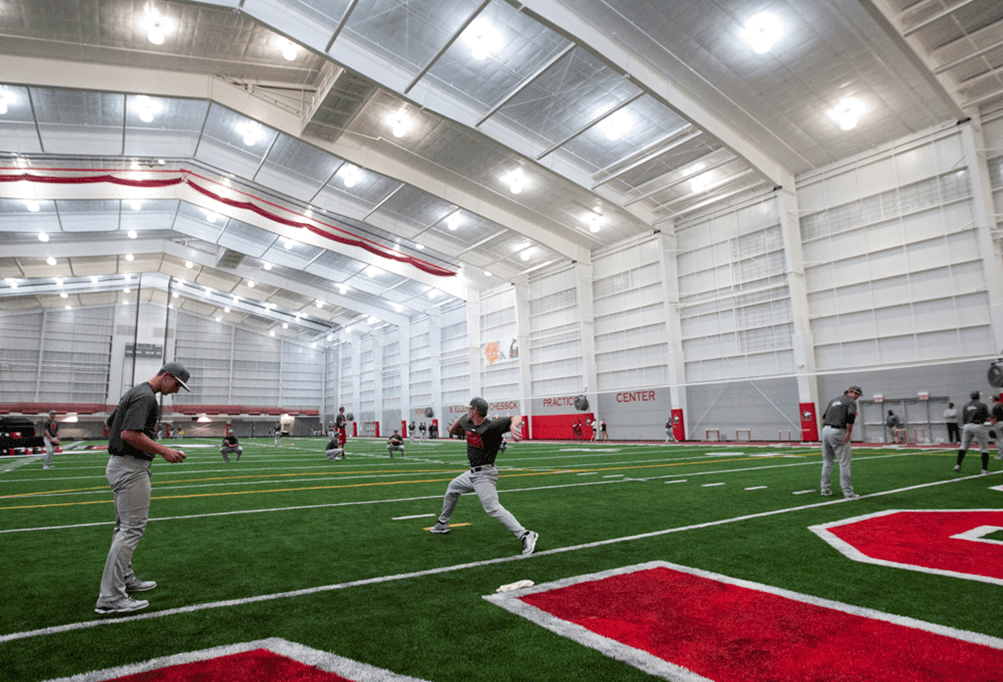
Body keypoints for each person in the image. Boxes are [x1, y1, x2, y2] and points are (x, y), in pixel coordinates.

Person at [94, 362, 190, 615]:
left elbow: (110, 422)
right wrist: (165, 451)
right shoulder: (147, 397)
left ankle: (123, 579)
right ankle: (111, 597)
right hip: (130, 467)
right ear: (167, 376)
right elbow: (128, 433)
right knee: (131, 529)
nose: (177, 391)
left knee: (123, 528)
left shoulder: (134, 392)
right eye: (177, 385)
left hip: (122, 464)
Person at [429, 397, 538, 556]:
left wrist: (514, 425)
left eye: (469, 408)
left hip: (485, 474)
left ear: (475, 411)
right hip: (472, 473)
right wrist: (460, 422)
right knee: (452, 489)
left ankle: (525, 534)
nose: (467, 411)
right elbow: (453, 430)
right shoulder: (467, 421)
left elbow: (516, 417)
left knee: (492, 508)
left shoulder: (492, 426)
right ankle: (442, 524)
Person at [820, 385, 862, 499]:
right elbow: (851, 416)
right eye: (856, 394)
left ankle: (824, 488)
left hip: (825, 430)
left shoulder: (833, 400)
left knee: (827, 461)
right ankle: (848, 492)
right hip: (838, 431)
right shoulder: (851, 402)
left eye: (858, 395)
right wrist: (849, 432)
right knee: (844, 463)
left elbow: (824, 416)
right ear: (849, 392)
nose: (857, 397)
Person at [956, 390, 991, 475]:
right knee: (984, 448)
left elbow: (963, 418)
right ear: (978, 397)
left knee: (963, 446)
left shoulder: (965, 406)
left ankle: (957, 465)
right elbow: (987, 417)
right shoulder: (982, 405)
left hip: (967, 426)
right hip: (978, 426)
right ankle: (984, 470)